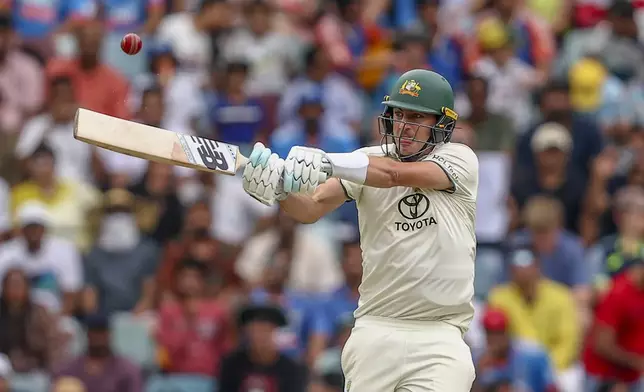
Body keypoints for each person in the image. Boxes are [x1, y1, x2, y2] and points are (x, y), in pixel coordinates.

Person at [242, 69, 479, 391]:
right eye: (398, 114)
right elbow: (311, 206)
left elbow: (393, 174)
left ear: (441, 124)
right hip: (376, 329)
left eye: (417, 117)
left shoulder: (458, 159)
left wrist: (327, 161)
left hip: (440, 336)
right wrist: (280, 190)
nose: (405, 126)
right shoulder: (366, 159)